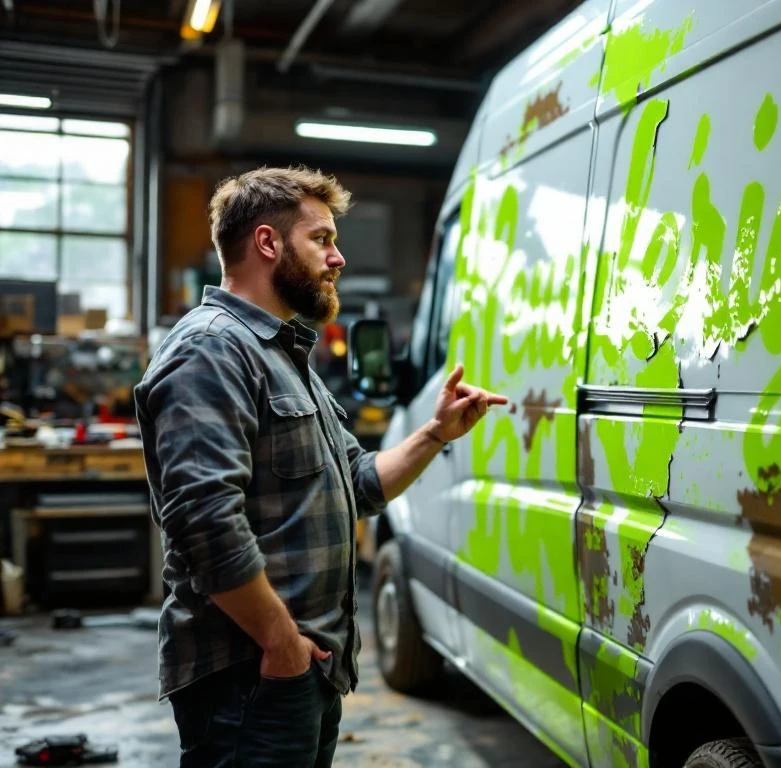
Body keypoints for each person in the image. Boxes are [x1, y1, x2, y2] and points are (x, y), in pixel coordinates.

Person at [134, 166, 507, 767]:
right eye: (323, 239)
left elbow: (355, 485)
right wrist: (282, 644)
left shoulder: (284, 354)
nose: (337, 258)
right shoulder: (211, 349)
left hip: (303, 669)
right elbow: (203, 521)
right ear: (267, 243)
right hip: (250, 674)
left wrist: (436, 434)